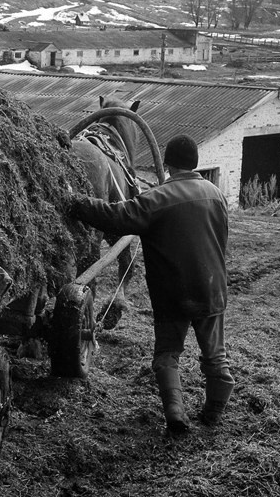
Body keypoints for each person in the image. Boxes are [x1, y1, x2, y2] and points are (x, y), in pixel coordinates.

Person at [68, 134, 234, 434]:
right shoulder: (215, 193)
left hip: (172, 292)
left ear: (167, 165)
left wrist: (76, 202)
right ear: (195, 163)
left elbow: (116, 217)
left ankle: (175, 414)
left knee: (167, 354)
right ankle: (213, 415)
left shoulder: (158, 198)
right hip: (212, 288)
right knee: (215, 355)